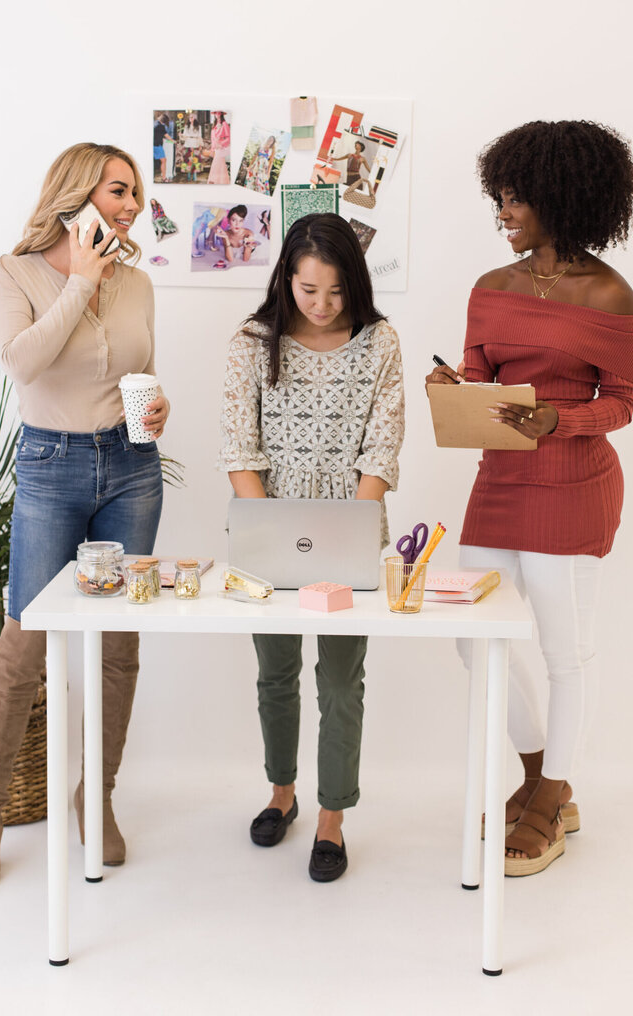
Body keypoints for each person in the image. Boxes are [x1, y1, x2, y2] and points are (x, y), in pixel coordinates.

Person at [426, 120, 633, 877]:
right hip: (500, 483)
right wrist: (455, 391)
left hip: (573, 487)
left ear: (561, 197)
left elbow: (620, 402)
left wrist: (561, 418)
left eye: (514, 199)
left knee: (564, 652)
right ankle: (538, 769)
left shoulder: (610, 295)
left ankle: (552, 797)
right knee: (469, 633)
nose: (502, 214)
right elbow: (480, 377)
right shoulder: (491, 289)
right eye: (499, 199)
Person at [0, 142, 169, 888]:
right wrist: (79, 283)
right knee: (24, 642)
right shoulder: (12, 273)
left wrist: (154, 408)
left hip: (132, 468)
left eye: (136, 195)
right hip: (51, 467)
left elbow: (137, 370)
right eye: (119, 190)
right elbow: (24, 363)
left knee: (117, 645)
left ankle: (96, 797)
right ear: (78, 192)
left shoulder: (139, 282)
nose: (132, 205)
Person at [218, 214, 404, 882]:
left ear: (355, 283)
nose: (322, 306)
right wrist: (275, 539)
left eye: (335, 293)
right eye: (308, 291)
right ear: (286, 281)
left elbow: (382, 448)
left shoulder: (380, 342)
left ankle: (332, 816)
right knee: (275, 675)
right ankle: (281, 792)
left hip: (351, 532)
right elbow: (241, 446)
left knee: (340, 682)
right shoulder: (251, 341)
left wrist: (344, 536)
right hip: (264, 533)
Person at [208, 110, 231, 185]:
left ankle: (218, 181)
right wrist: (212, 148)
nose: (217, 114)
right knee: (218, 164)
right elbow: (212, 138)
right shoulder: (214, 124)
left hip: (221, 148)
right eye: (215, 113)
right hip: (216, 148)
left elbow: (228, 137)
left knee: (218, 164)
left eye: (218, 112)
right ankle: (218, 181)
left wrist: (221, 144)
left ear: (221, 114)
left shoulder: (224, 124)